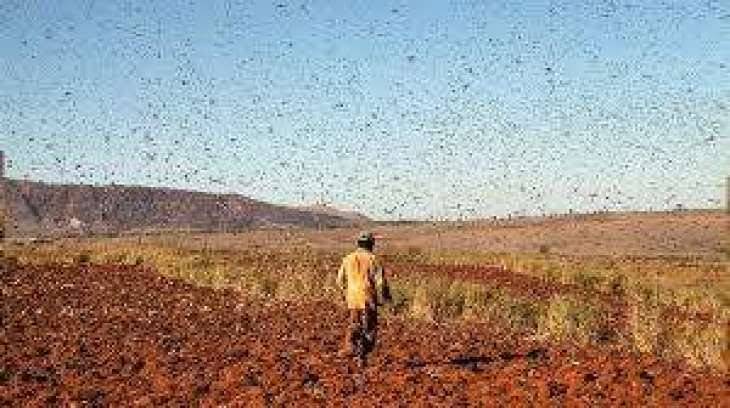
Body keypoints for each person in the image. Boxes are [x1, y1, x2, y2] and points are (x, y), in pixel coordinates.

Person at [337, 231, 391, 366]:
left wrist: (345, 293)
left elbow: (339, 281)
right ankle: (362, 355)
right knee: (370, 327)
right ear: (371, 244)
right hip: (368, 296)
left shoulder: (348, 258)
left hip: (352, 297)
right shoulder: (373, 259)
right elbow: (381, 282)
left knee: (354, 322)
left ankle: (350, 345)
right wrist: (385, 297)